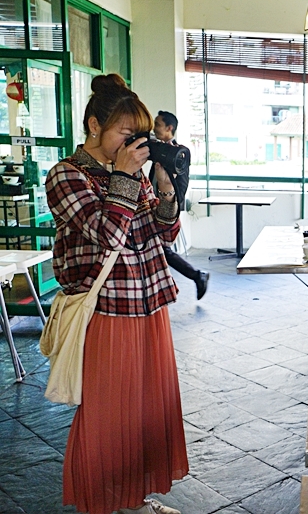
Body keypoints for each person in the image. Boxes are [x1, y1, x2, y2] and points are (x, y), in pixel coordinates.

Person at [45, 74, 188, 514]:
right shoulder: (65, 176)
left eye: (138, 135)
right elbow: (108, 233)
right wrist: (126, 178)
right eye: (127, 133)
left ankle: (133, 498)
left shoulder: (134, 175)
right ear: (94, 127)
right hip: (104, 310)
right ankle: (102, 502)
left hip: (148, 304)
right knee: (108, 415)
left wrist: (165, 186)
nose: (135, 143)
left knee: (145, 410)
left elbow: (163, 232)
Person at [150, 110, 210, 300]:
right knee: (161, 249)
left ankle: (196, 275)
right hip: (154, 206)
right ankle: (197, 276)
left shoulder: (178, 153)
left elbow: (181, 183)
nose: (154, 128)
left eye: (157, 124)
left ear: (170, 128)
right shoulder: (156, 149)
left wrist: (174, 207)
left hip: (168, 208)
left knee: (161, 249)